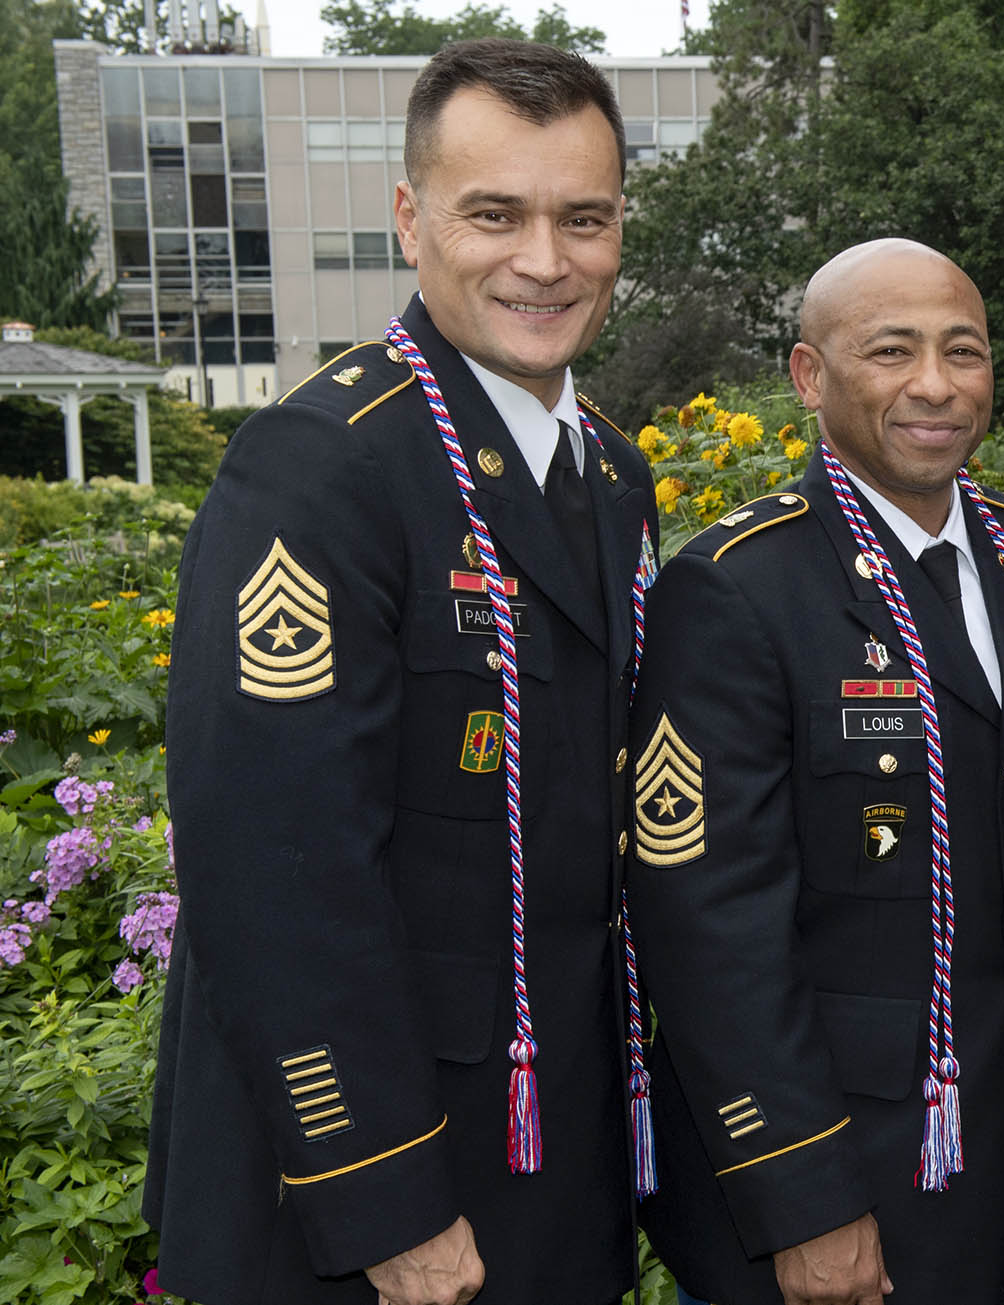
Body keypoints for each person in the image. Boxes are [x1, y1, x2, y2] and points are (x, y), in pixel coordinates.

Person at [149, 38, 655, 1305]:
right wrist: (383, 1195)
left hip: (549, 1156)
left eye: (581, 219)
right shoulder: (320, 469)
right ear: (408, 220)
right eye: (496, 213)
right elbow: (275, 870)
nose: (545, 260)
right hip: (367, 1196)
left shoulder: (606, 470)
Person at [628, 239, 1004, 1305]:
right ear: (810, 377)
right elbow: (708, 923)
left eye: (963, 351)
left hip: (999, 1160)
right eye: (892, 350)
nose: (935, 385)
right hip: (832, 1178)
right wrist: (803, 1197)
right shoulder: (737, 588)